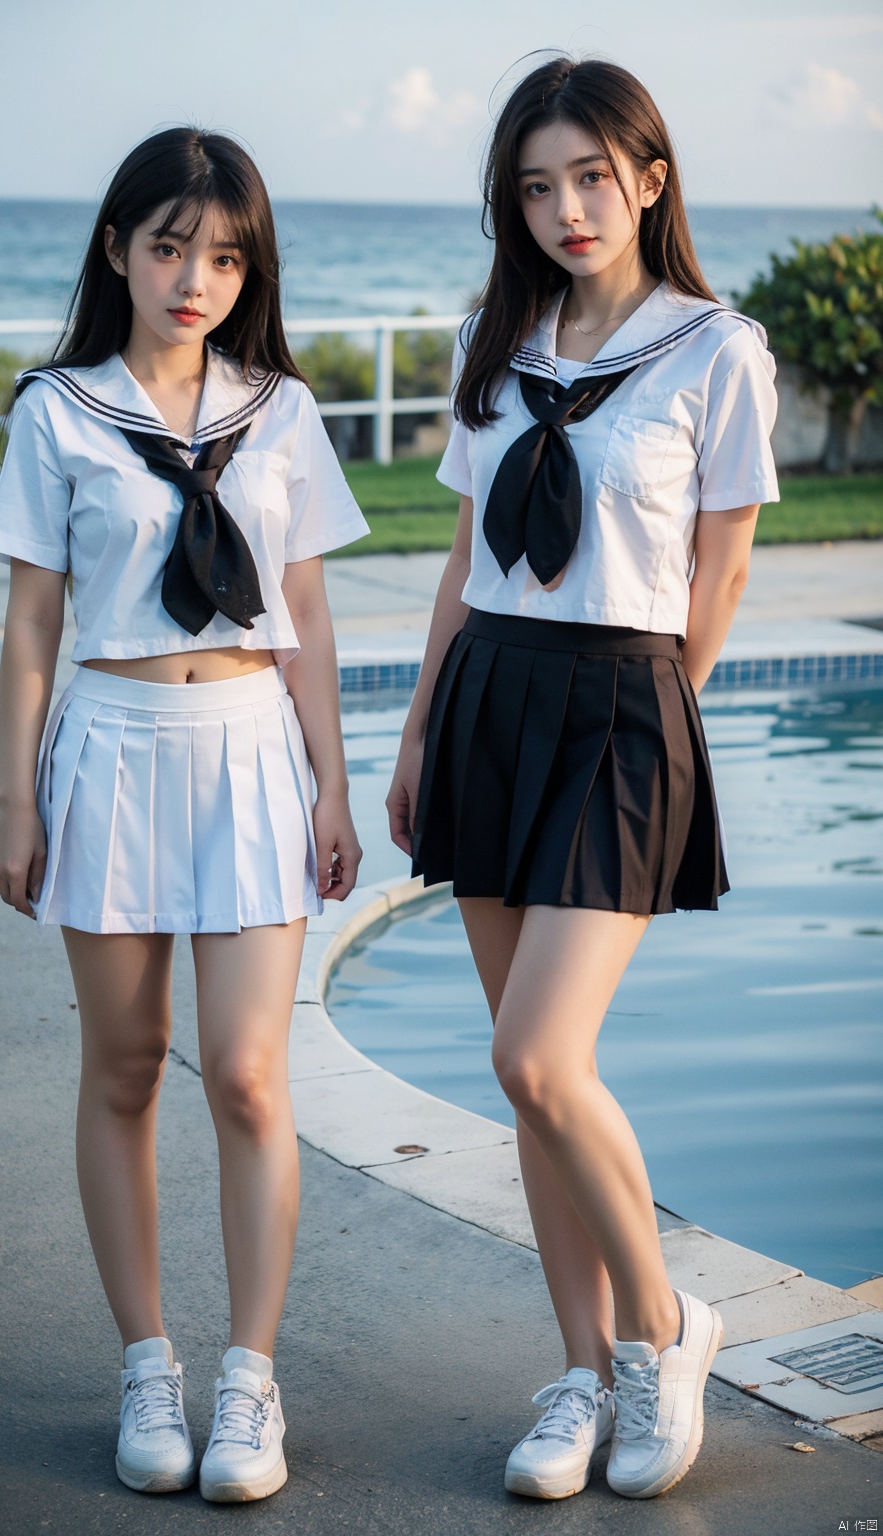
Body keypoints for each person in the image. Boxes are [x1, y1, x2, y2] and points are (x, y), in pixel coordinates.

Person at [387, 56, 778, 1503]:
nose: (565, 209)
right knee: (536, 1091)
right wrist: (422, 731)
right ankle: (577, 1367)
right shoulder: (502, 344)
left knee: (536, 1058)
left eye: (591, 179)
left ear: (651, 179)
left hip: (623, 701)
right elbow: (461, 558)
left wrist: (667, 718)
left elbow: (722, 565)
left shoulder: (715, 351)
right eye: (536, 186)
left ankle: (663, 1335)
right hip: (491, 688)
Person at [0, 127, 368, 1504]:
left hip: (252, 743)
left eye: (222, 254)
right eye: (166, 248)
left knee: (253, 1077)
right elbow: (33, 622)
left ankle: (249, 1380)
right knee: (130, 1067)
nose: (193, 278)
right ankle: (148, 1362)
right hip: (113, 747)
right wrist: (14, 794)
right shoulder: (59, 411)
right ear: (116, 251)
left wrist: (331, 780)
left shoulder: (283, 411)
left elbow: (307, 613)